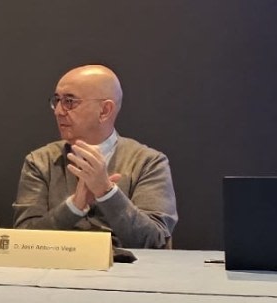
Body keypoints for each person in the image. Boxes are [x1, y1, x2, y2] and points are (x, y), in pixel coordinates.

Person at [11, 64, 177, 249]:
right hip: (57, 272)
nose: (58, 111)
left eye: (69, 101)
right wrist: (74, 206)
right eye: (57, 100)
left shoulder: (149, 163)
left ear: (105, 110)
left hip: (126, 274)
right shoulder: (40, 161)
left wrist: (107, 192)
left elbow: (156, 242)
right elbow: (22, 240)